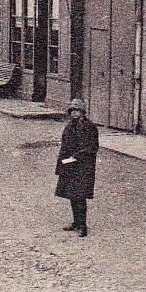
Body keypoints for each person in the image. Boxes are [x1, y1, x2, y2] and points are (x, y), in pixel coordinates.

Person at [56, 98, 99, 236]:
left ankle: (83, 225)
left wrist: (76, 157)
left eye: (77, 111)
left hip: (82, 166)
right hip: (70, 165)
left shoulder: (89, 127)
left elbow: (92, 147)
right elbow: (64, 146)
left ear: (82, 112)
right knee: (71, 195)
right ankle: (76, 222)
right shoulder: (69, 126)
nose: (74, 113)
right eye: (72, 111)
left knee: (80, 196)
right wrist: (62, 164)